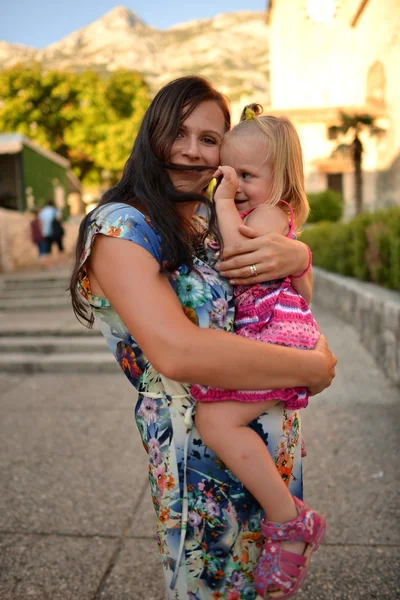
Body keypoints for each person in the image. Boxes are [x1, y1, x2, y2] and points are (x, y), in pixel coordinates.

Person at [69, 76, 336, 600]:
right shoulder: (121, 226)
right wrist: (313, 369)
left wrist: (299, 256)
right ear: (151, 135)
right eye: (179, 132)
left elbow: (272, 298)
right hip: (196, 446)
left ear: (225, 155)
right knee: (212, 584)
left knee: (267, 575)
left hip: (265, 430)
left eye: (209, 139)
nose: (192, 150)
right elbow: (177, 350)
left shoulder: (205, 220)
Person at [192, 104, 325, 598]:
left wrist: (224, 203)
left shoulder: (268, 213)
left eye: (247, 175)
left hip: (274, 337)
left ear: (281, 177)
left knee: (215, 420)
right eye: (227, 175)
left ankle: (290, 521)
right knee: (226, 418)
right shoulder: (265, 210)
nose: (236, 185)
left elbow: (234, 255)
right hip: (267, 334)